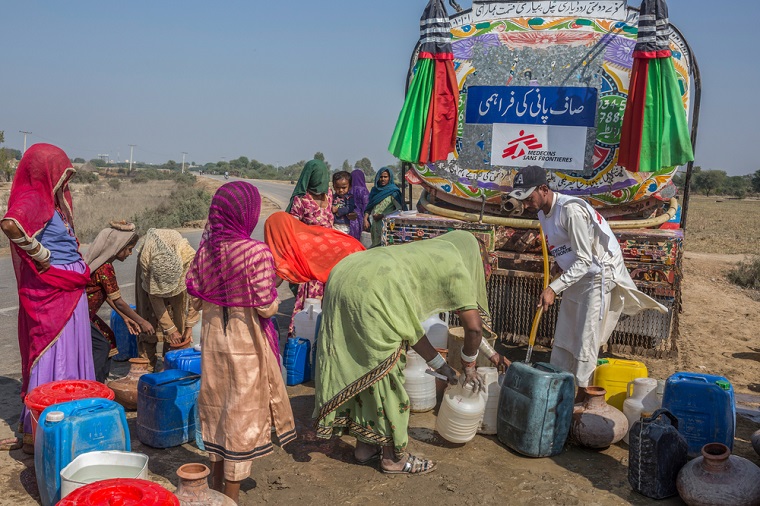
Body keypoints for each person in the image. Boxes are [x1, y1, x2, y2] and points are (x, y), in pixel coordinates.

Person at [314, 231, 509, 474]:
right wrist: (468, 366)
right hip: (372, 289)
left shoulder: (428, 252)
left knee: (364, 365)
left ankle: (366, 446)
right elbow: (474, 327)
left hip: (345, 273)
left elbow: (411, 329)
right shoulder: (457, 264)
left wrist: (442, 366)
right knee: (387, 374)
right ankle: (392, 458)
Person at [507, 166, 668, 402]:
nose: (527, 203)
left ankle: (582, 400)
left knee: (585, 339)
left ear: (543, 189)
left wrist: (553, 288)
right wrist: (557, 269)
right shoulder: (543, 213)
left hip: (597, 276)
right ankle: (561, 389)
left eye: (529, 197)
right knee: (565, 333)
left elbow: (585, 259)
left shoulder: (570, 211)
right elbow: (564, 248)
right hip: (576, 275)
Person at [186, 182, 296, 502]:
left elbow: (193, 292)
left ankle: (215, 488)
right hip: (245, 346)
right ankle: (229, 499)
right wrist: (278, 282)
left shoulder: (206, 250)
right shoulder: (255, 252)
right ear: (246, 213)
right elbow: (266, 307)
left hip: (212, 343)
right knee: (240, 420)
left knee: (217, 413)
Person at [0, 144, 94, 452]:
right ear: (46, 173)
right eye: (62, 174)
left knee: (71, 351)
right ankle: (42, 430)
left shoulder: (53, 202)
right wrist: (40, 255)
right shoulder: (34, 199)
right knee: (53, 353)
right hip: (51, 291)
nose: (66, 182)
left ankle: (68, 416)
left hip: (68, 288)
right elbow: (10, 224)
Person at [84, 222, 155, 382]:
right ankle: (91, 385)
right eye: (129, 249)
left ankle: (100, 382)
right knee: (102, 346)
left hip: (86, 313)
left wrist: (124, 317)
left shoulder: (101, 265)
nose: (130, 253)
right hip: (81, 314)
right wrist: (142, 321)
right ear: (118, 247)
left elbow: (107, 295)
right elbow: (119, 301)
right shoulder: (105, 268)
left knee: (109, 338)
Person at [135, 228, 199, 371]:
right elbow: (154, 296)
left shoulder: (189, 259)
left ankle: (169, 360)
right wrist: (170, 329)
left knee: (177, 312)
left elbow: (195, 295)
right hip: (154, 267)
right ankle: (147, 364)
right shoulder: (146, 261)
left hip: (178, 267)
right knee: (148, 314)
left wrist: (188, 327)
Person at [286, 159, 333, 334]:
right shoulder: (301, 200)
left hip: (329, 256)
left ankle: (325, 332)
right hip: (310, 258)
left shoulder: (329, 193)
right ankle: (301, 332)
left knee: (329, 294)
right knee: (310, 297)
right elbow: (292, 229)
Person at [264, 211, 365, 288]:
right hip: (352, 247)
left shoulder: (293, 246)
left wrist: (259, 289)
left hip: (348, 255)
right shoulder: (304, 234)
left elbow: (279, 278)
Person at [363, 166, 405, 247]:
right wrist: (365, 219)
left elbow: (399, 210)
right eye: (381, 177)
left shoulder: (393, 192)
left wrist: (383, 216)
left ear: (390, 178)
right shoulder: (374, 191)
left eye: (385, 177)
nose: (383, 179)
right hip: (375, 226)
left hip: (387, 226)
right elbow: (369, 207)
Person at [330, 171, 357, 235]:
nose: (341, 190)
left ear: (349, 187)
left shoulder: (349, 198)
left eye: (343, 188)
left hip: (344, 225)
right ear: (333, 186)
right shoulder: (332, 197)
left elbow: (349, 208)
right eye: (337, 187)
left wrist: (337, 210)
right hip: (333, 224)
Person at [349, 168, 369, 241]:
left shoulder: (348, 190)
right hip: (360, 218)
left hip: (349, 218)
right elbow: (366, 206)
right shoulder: (364, 191)